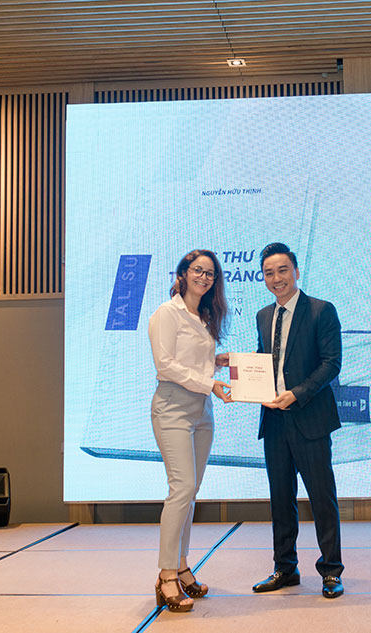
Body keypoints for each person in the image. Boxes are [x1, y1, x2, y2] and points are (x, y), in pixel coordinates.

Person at [251, 242, 345, 599]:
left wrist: (297, 393)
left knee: (322, 498)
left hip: (310, 419)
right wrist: (241, 369)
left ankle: (331, 571)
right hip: (274, 421)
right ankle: (285, 568)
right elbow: (263, 362)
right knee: (280, 499)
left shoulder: (321, 310)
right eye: (269, 273)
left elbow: (331, 363)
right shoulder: (263, 315)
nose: (276, 278)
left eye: (282, 270)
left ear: (296, 272)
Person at [147, 249, 231, 612]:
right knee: (180, 488)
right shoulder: (167, 313)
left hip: (202, 411)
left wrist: (216, 362)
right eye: (197, 270)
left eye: (210, 274)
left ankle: (181, 566)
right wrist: (209, 382)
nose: (204, 278)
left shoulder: (204, 316)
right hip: (173, 408)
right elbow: (165, 365)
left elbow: (190, 361)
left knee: (190, 492)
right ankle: (166, 574)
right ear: (182, 273)